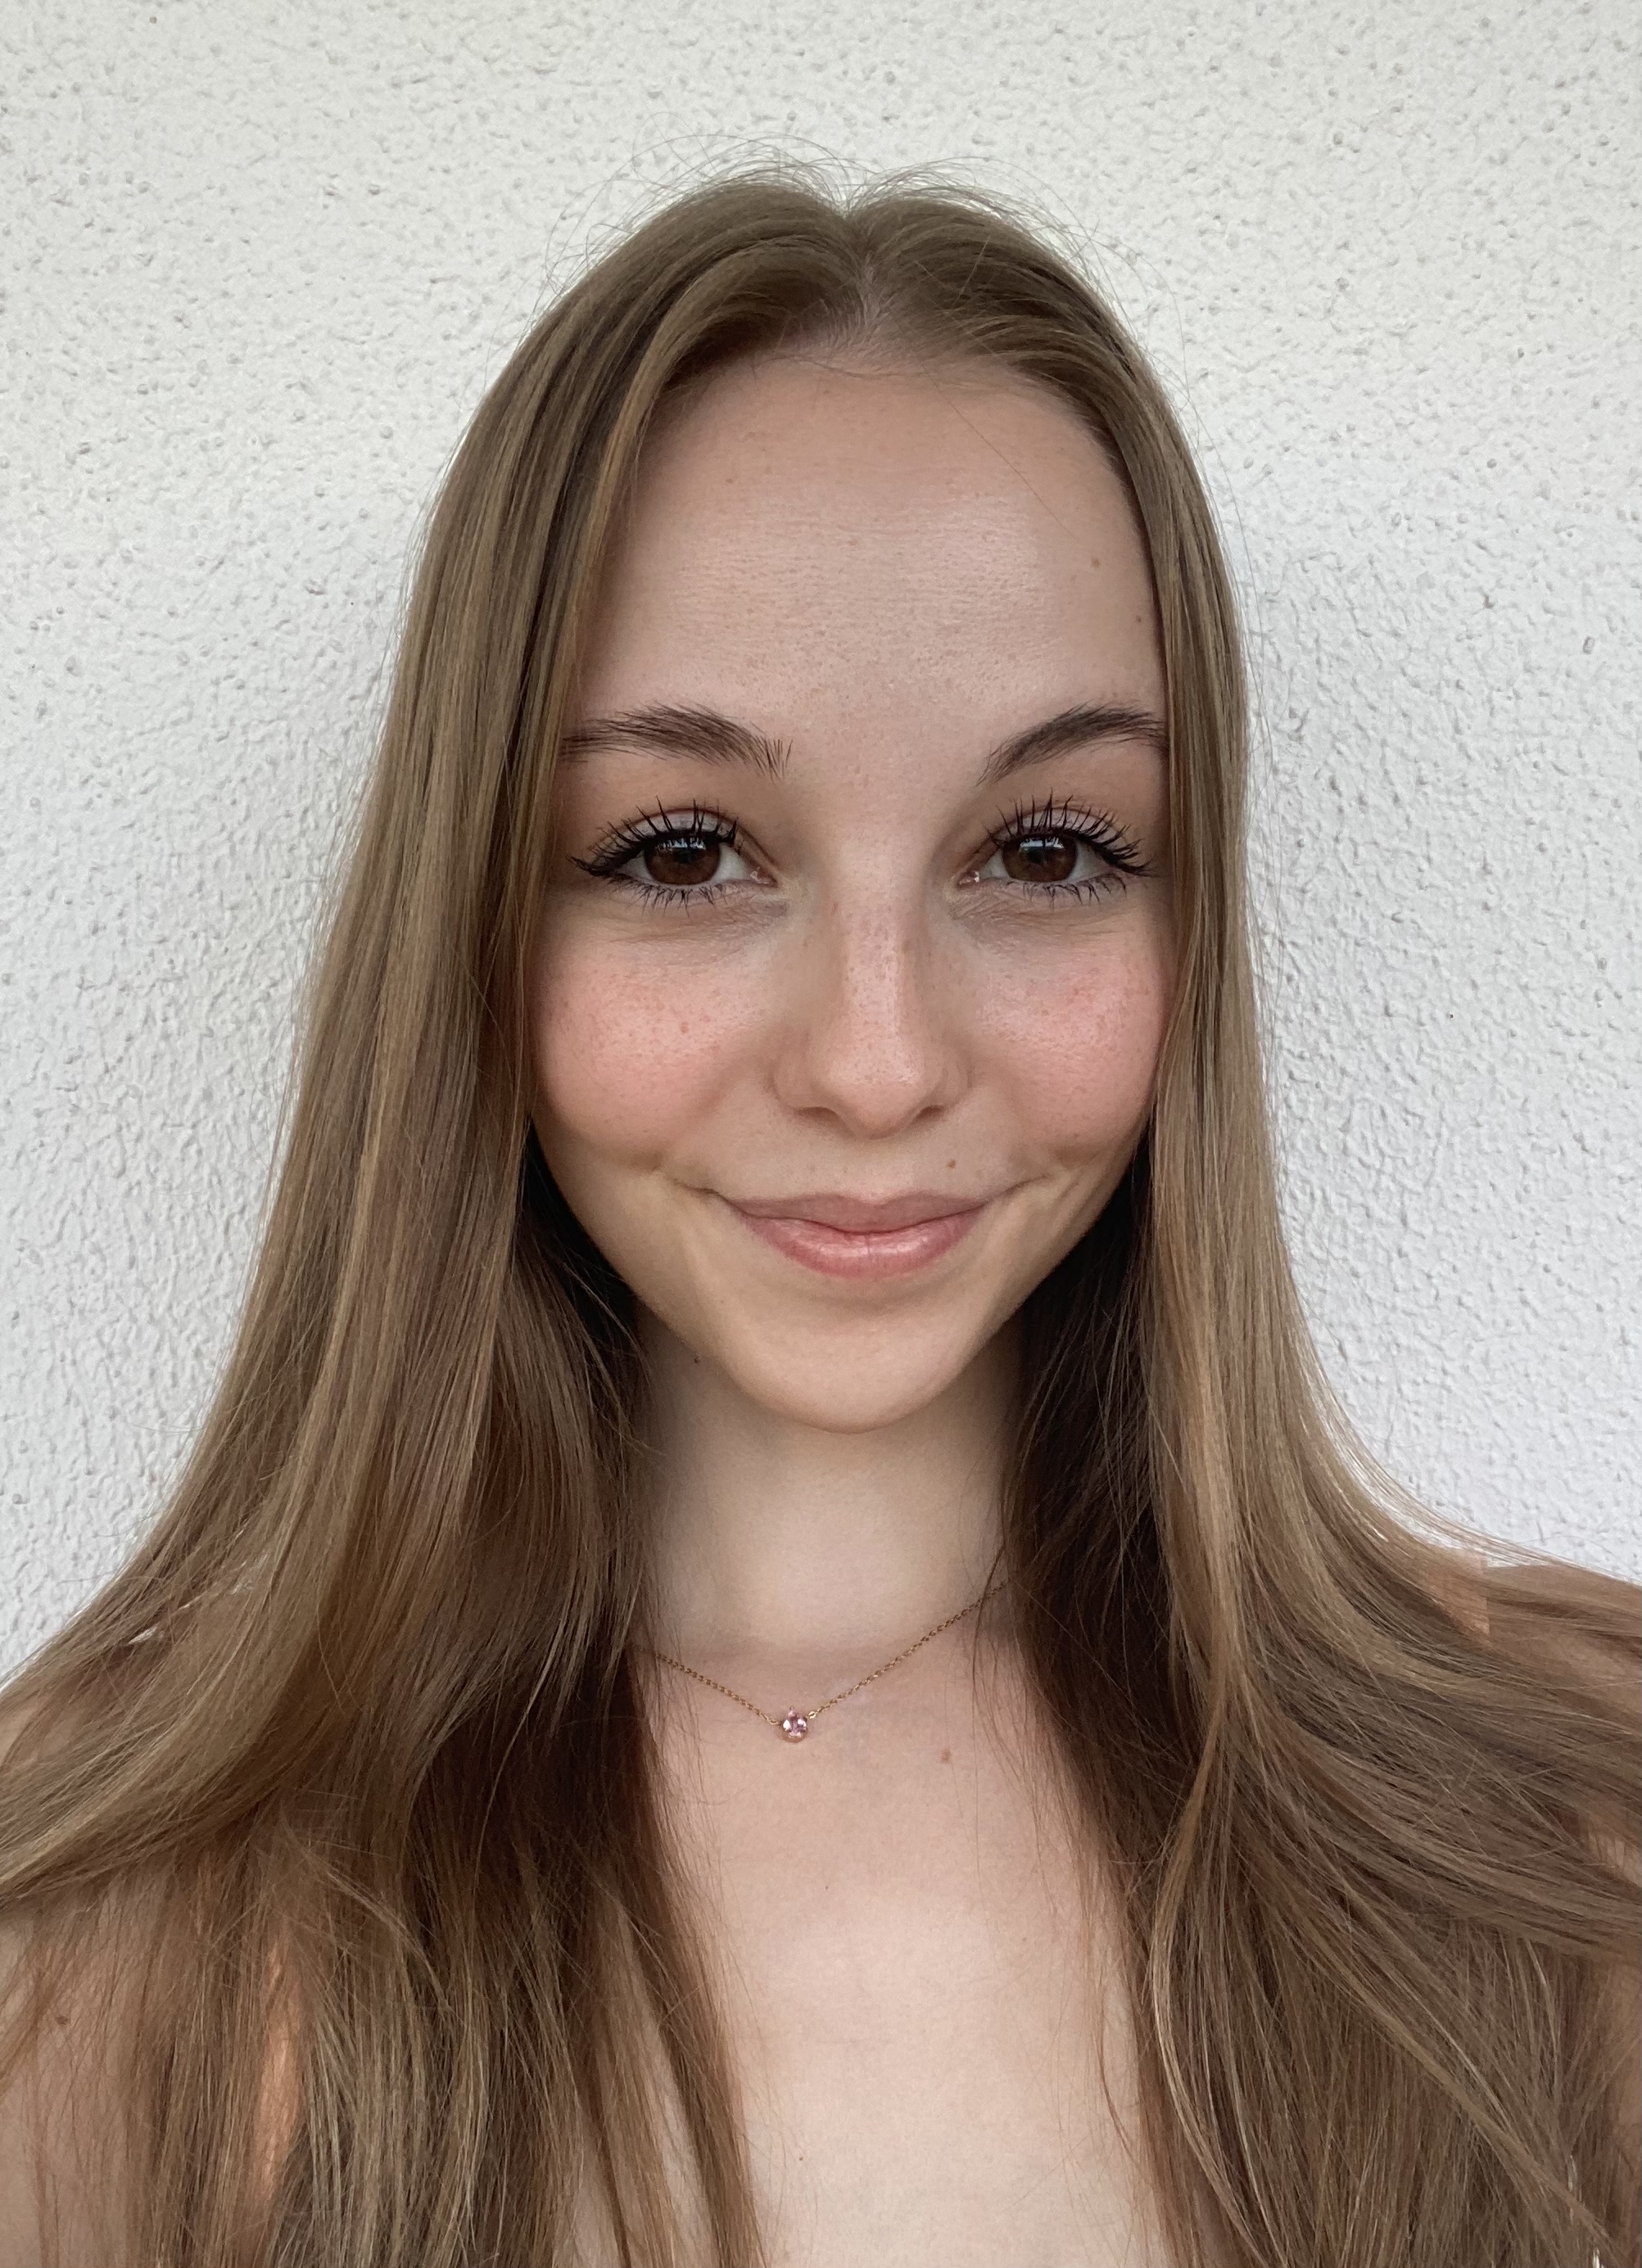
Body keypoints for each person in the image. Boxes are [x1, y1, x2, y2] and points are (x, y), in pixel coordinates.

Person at [0, 169, 1635, 2268]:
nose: (876, 1062)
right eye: (683, 851)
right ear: (476, 915)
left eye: (1045, 848)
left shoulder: (1572, 1823)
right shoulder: (100, 1892)